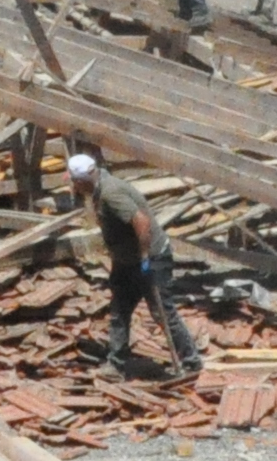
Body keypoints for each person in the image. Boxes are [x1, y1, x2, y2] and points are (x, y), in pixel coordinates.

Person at [67, 148, 199, 376]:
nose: (73, 186)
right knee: (120, 309)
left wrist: (145, 257)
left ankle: (190, 361)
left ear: (82, 181)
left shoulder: (111, 193)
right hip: (127, 262)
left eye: (74, 182)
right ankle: (116, 364)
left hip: (150, 258)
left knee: (162, 312)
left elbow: (141, 222)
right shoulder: (99, 189)